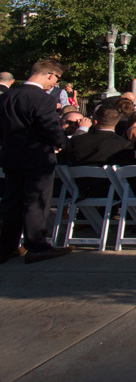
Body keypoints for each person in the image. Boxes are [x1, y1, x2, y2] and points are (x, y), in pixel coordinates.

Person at [0, 59, 74, 264]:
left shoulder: (7, 97)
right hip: (38, 156)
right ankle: (37, 246)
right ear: (50, 75)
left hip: (11, 156)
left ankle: (6, 247)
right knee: (36, 201)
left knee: (12, 201)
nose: (55, 84)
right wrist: (62, 144)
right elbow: (50, 127)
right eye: (56, 80)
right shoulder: (43, 99)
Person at [60, 106, 136, 196]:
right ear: (116, 123)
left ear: (94, 122)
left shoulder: (76, 140)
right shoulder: (124, 145)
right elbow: (127, 173)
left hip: (79, 189)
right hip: (111, 191)